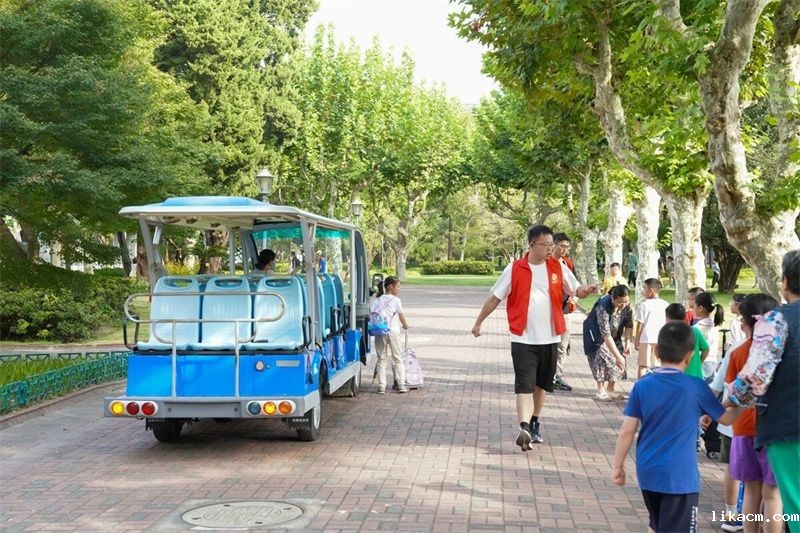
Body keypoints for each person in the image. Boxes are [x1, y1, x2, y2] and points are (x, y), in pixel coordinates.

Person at [471, 224, 600, 451]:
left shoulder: (558, 266)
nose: (550, 249)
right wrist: (479, 321)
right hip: (523, 338)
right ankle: (523, 427)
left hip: (550, 338)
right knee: (524, 385)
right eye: (545, 245)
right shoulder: (514, 269)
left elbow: (576, 290)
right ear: (531, 245)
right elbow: (495, 298)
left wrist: (587, 290)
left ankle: (533, 422)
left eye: (552, 244)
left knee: (541, 385)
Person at [611, 322, 742, 533]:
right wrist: (744, 401)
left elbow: (627, 431)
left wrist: (617, 465)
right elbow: (726, 419)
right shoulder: (696, 386)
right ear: (690, 356)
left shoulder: (642, 386)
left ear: (656, 351)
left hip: (648, 471)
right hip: (680, 477)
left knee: (656, 524)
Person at [727, 250, 800, 531]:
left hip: (788, 428)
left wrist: (729, 400)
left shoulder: (776, 320)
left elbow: (755, 378)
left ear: (785, 281)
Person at [725, 293, 782, 533]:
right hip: (776, 429)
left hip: (744, 427)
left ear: (745, 321)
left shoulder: (738, 352)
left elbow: (733, 394)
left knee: (751, 490)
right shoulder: (782, 349)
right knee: (773, 494)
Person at [709, 350, 741, 533]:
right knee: (763, 486)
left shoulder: (737, 349)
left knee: (733, 468)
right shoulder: (778, 343)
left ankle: (732, 515)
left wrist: (711, 409)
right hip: (768, 425)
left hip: (734, 424)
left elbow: (720, 384)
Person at [585, 285, 632, 400]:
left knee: (620, 358)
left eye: (625, 301)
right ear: (613, 298)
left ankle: (610, 389)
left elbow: (629, 324)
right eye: (620, 302)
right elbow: (605, 334)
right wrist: (617, 356)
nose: (623, 305)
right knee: (602, 357)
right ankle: (600, 390)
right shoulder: (603, 306)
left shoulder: (627, 305)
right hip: (596, 335)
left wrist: (628, 341)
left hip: (615, 334)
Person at [371, 276, 409, 394]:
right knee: (397, 358)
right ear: (391, 287)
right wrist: (406, 325)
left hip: (380, 332)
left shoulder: (378, 300)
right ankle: (401, 384)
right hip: (393, 332)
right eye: (398, 286)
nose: (399, 289)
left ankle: (381, 386)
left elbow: (372, 313)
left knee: (381, 359)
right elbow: (401, 316)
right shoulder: (396, 300)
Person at [552, 232, 577, 392]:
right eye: (561, 246)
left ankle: (557, 376)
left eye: (567, 247)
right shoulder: (545, 263)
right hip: (548, 312)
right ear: (553, 245)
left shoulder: (568, 263)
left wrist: (575, 298)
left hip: (565, 311)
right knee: (548, 345)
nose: (564, 250)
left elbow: (576, 286)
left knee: (562, 345)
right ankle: (544, 377)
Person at [634, 278, 669, 378]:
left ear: (651, 290)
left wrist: (637, 340)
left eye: (644, 288)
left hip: (646, 338)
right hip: (660, 338)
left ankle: (641, 384)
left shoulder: (644, 305)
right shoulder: (666, 305)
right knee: (658, 366)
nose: (643, 291)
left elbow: (640, 323)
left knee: (643, 365)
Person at [665, 303, 709, 381]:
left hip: (677, 377)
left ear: (668, 319)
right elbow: (706, 349)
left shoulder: (668, 334)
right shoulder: (694, 331)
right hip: (696, 375)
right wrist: (699, 362)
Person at [694, 292, 724, 380]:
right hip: (713, 361)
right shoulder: (715, 326)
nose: (693, 308)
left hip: (701, 362)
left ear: (700, 308)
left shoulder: (697, 328)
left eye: (695, 306)